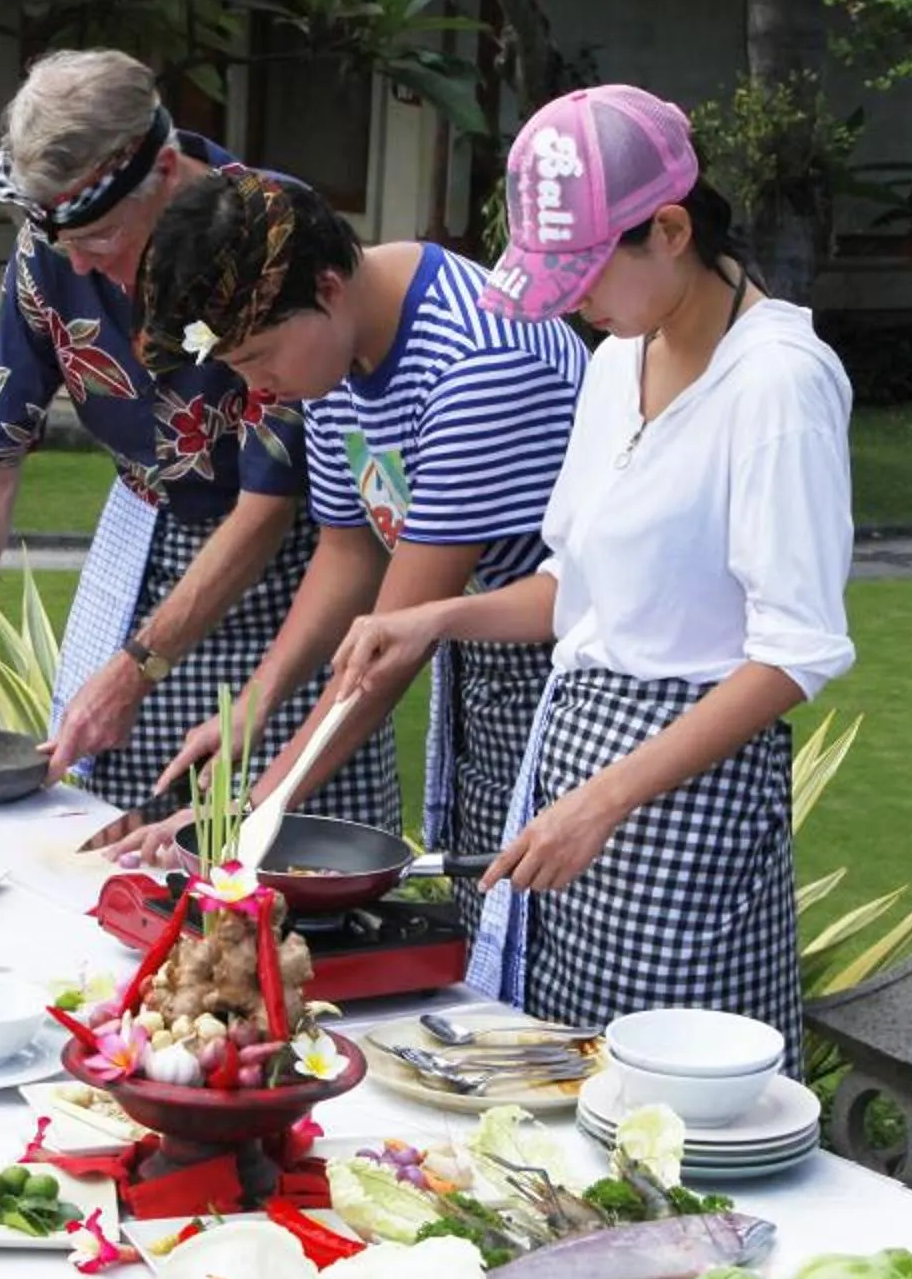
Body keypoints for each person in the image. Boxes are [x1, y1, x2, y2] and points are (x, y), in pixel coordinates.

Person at [326, 86, 857, 1050]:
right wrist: (431, 619)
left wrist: (609, 798)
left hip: (686, 804)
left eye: (587, 270)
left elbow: (794, 654)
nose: (571, 298)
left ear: (671, 229)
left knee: (664, 1108)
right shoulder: (619, 357)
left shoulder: (778, 382)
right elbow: (575, 591)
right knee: (555, 1077)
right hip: (571, 774)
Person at [0, 50, 397, 832]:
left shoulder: (265, 233)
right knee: (110, 835)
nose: (80, 263)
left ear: (166, 170)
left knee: (271, 842)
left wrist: (140, 669)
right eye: (64, 242)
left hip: (289, 566)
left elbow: (269, 499)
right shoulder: (54, 245)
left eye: (101, 241)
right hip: (140, 532)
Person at [119, 169, 587, 931]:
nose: (259, 386)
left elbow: (393, 645)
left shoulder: (476, 366)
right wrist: (251, 711)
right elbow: (349, 552)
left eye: (260, 357)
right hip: (478, 667)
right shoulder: (339, 352)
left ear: (329, 286)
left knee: (547, 938)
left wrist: (248, 819)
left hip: (563, 683)